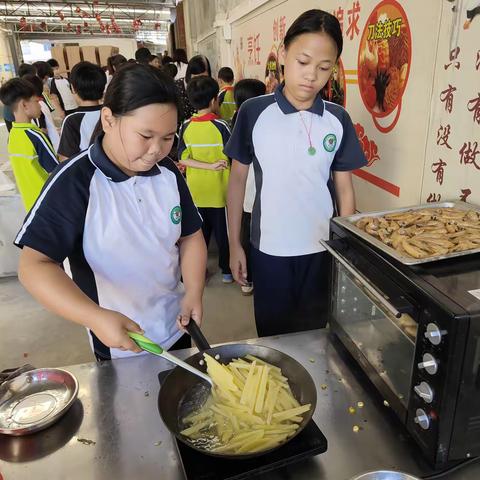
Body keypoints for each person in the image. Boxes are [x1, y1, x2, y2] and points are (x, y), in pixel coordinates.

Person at [14, 64, 207, 361]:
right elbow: (33, 266)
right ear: (109, 120)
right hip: (120, 344)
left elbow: (191, 236)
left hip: (178, 326)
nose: (157, 149)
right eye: (145, 135)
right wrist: (95, 317)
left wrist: (193, 291)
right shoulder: (75, 182)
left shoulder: (168, 172)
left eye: (168, 138)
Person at [225, 10, 367, 336]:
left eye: (324, 67)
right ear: (284, 54)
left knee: (317, 335)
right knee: (274, 336)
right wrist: (235, 244)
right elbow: (236, 182)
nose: (311, 76)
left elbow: (344, 190)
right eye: (303, 62)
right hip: (270, 249)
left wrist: (345, 250)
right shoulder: (254, 112)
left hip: (321, 248)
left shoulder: (337, 119)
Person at [178, 76, 233, 283]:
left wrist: (204, 166)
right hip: (220, 191)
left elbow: (183, 157)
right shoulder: (221, 125)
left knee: (198, 237)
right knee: (224, 235)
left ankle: (197, 272)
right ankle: (227, 271)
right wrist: (213, 166)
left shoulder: (185, 126)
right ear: (213, 100)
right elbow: (233, 155)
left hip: (196, 192)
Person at [0, 78, 58, 211]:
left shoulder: (13, 136)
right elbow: (56, 174)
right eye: (37, 101)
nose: (39, 105)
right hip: (48, 204)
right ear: (24, 105)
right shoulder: (36, 136)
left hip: (30, 205)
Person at [231, 79, 266, 296]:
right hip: (251, 191)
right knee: (251, 237)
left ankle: (248, 279)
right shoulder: (248, 121)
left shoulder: (237, 119)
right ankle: (248, 276)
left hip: (253, 193)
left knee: (249, 234)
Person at [57, 61, 106, 161]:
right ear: (102, 88)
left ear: (73, 88)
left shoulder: (72, 120)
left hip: (88, 174)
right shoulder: (112, 114)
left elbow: (66, 160)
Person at [22, 73, 60, 151]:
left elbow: (43, 131)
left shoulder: (35, 107)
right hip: (54, 145)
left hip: (49, 148)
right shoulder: (40, 103)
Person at [175, 55, 212, 122]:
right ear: (189, 74)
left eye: (204, 77)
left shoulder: (210, 87)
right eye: (196, 77)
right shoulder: (178, 87)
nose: (200, 82)